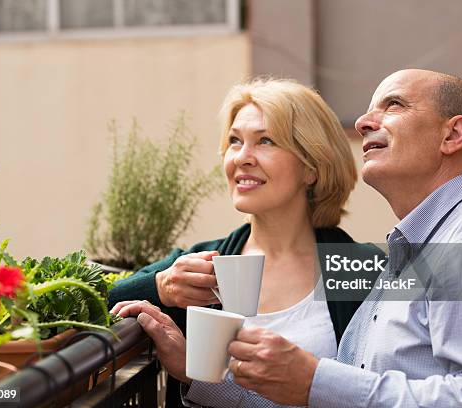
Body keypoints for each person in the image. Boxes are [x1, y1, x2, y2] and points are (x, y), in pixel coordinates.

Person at [142, 69, 462, 407]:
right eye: (234, 142)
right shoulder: (410, 252)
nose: (363, 122)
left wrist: (314, 379)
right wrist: (207, 377)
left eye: (393, 104)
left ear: (452, 136)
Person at [108, 78, 383, 407]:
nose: (242, 157)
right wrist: (158, 286)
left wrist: (197, 374)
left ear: (311, 168)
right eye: (235, 141)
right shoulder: (201, 264)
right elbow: (88, 305)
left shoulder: (363, 268)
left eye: (265, 141)